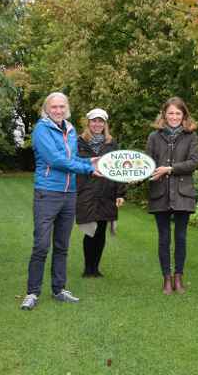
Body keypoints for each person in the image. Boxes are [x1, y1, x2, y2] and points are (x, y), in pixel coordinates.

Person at [20, 92, 99, 311]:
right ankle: (32, 293)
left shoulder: (70, 129)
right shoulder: (42, 129)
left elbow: (70, 159)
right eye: (54, 107)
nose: (58, 110)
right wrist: (89, 169)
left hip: (69, 194)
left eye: (62, 106)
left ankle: (59, 289)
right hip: (47, 193)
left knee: (62, 246)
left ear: (67, 108)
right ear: (47, 108)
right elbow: (55, 160)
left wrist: (89, 161)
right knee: (41, 245)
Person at [146, 97, 198, 295]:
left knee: (181, 237)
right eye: (171, 113)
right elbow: (148, 164)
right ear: (164, 115)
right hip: (160, 193)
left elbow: (194, 162)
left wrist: (169, 169)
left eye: (178, 113)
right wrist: (138, 174)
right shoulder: (154, 137)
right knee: (163, 238)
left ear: (183, 115)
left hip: (182, 193)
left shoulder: (191, 136)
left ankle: (179, 277)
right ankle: (166, 278)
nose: (174, 117)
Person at [76, 108, 126, 278]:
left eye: (100, 121)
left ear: (105, 124)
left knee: (101, 231)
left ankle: (95, 268)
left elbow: (119, 170)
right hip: (87, 192)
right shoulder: (78, 142)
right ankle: (87, 268)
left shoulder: (112, 144)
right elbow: (72, 165)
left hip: (107, 192)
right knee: (90, 230)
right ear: (88, 123)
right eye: (94, 121)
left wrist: (120, 193)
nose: (97, 124)